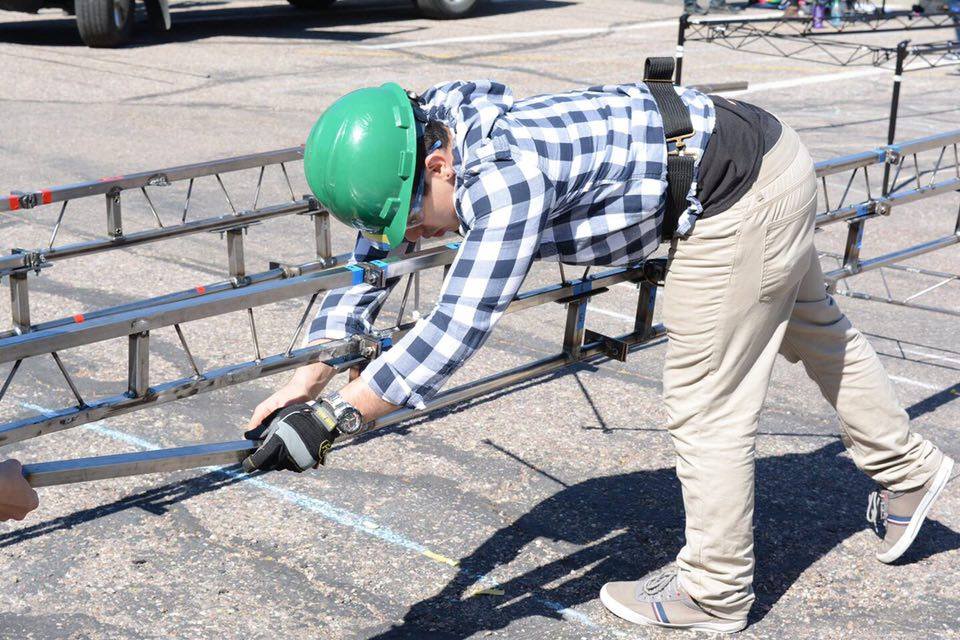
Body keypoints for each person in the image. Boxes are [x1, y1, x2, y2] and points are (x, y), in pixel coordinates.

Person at [243, 76, 953, 633]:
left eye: (418, 222)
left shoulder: (506, 177)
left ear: (439, 165)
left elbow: (457, 327)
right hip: (762, 154)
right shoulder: (427, 130)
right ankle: (911, 471)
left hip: (737, 195)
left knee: (707, 403)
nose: (416, 240)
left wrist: (339, 420)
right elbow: (377, 252)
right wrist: (311, 376)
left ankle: (715, 590)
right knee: (814, 326)